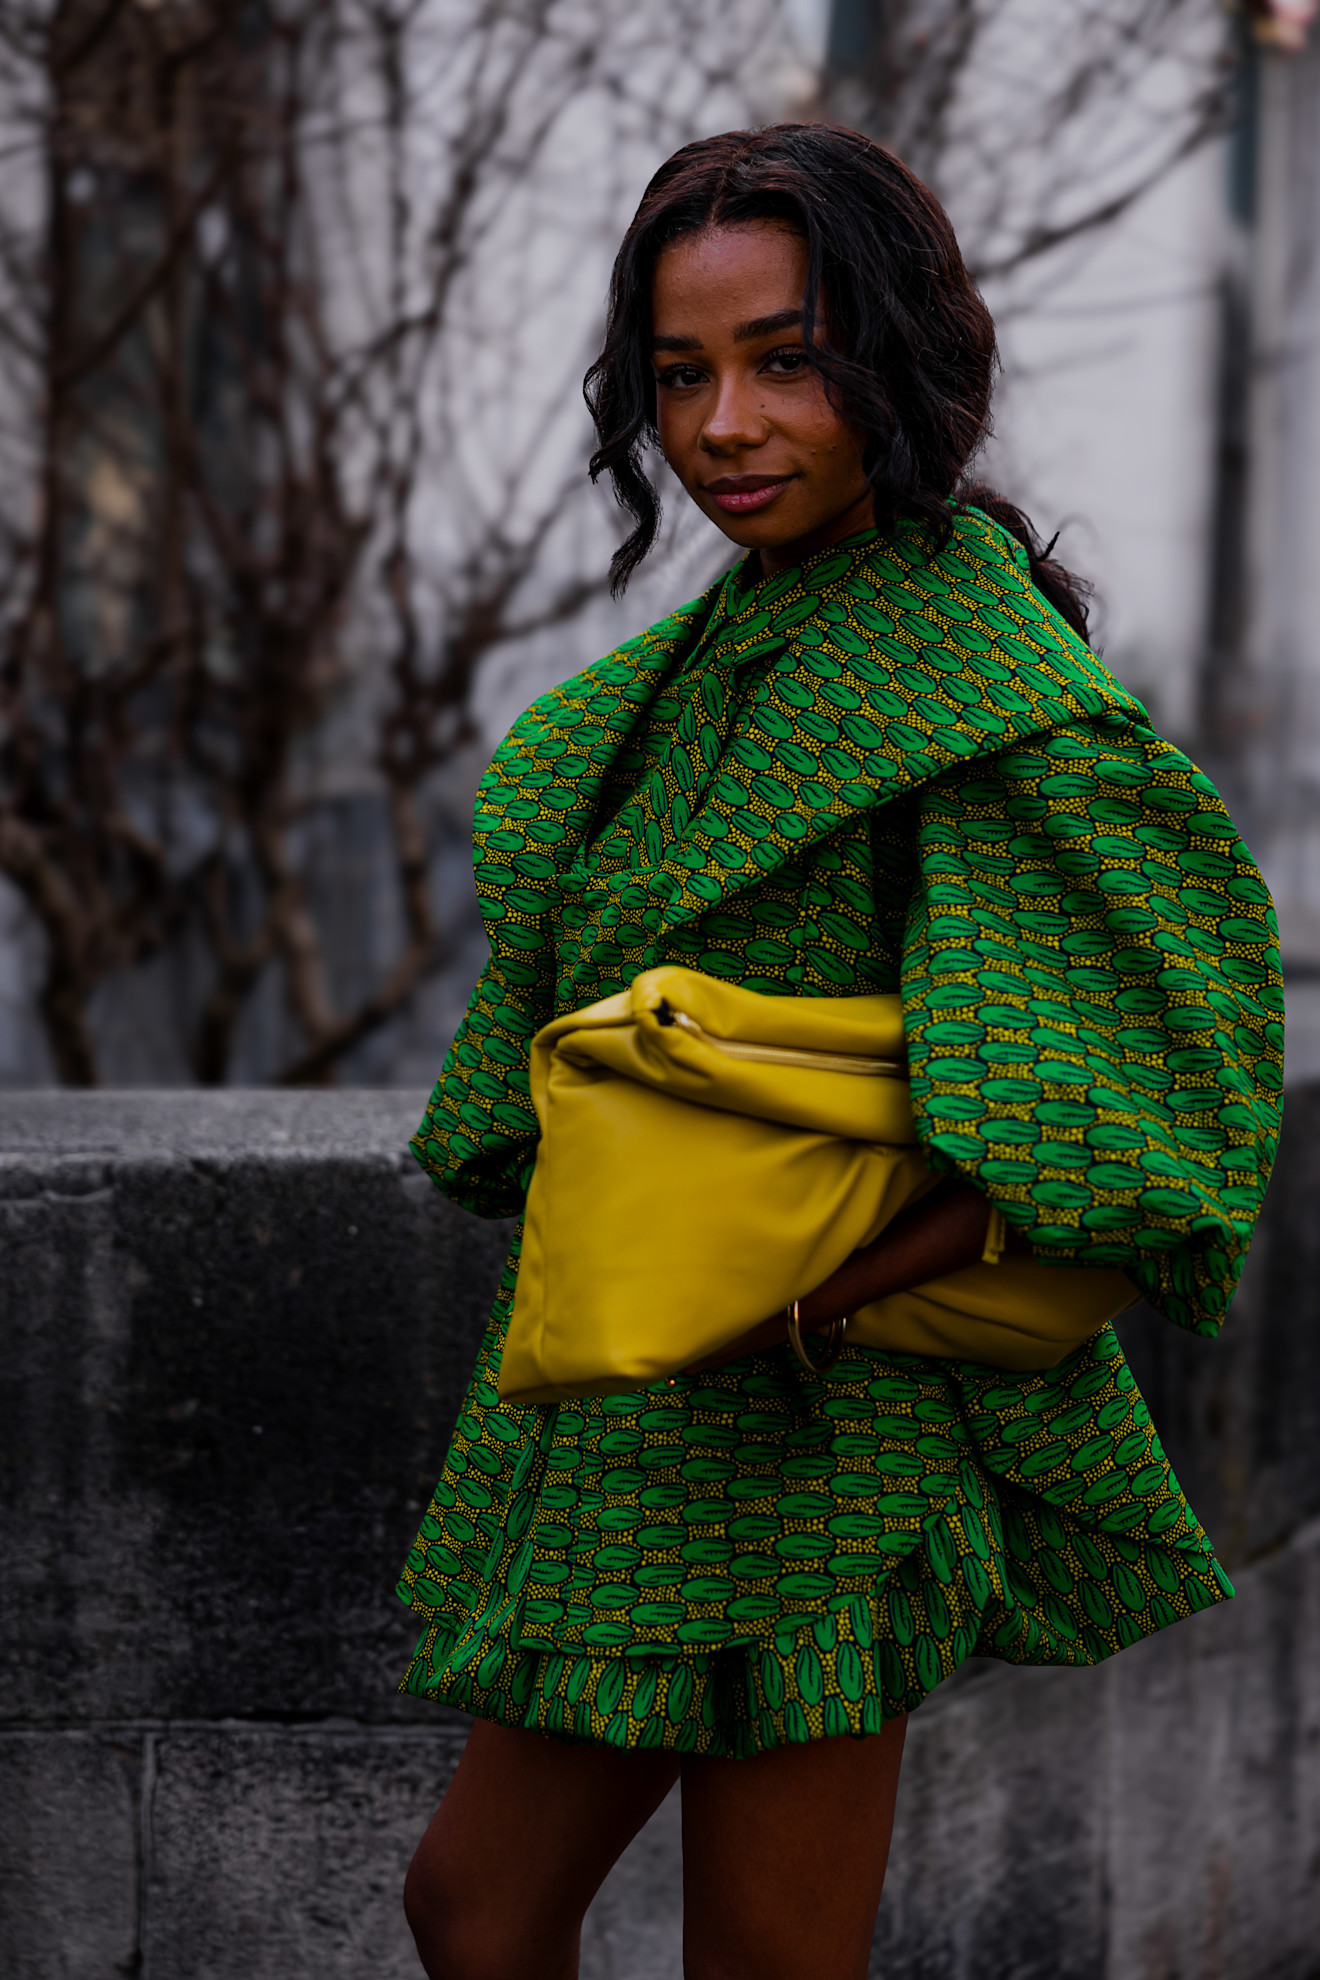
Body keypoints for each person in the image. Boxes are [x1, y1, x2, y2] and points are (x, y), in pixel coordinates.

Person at [396, 125, 1283, 1980]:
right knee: (473, 1909)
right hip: (635, 1401)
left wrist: (829, 1299)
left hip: (828, 1433)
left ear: (897, 357)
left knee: (768, 1964)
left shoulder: (988, 703)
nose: (723, 424)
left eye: (783, 360)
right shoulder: (705, 666)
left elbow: (1133, 1097)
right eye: (680, 375)